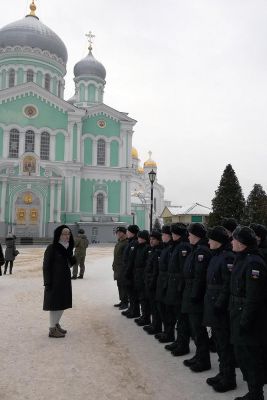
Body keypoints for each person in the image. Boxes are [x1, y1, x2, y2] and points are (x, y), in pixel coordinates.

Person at [230, 226, 267, 400]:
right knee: (243, 355)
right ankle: (253, 391)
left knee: (250, 357)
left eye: (234, 239)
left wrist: (245, 321)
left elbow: (254, 297)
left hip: (249, 318)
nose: (231, 241)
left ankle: (256, 394)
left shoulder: (253, 262)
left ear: (242, 243)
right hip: (239, 313)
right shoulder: (242, 258)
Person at [203, 226, 236, 393]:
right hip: (213, 304)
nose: (208, 242)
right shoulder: (217, 256)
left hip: (221, 308)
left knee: (224, 345)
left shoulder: (228, 258)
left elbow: (227, 285)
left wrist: (219, 304)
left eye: (211, 239)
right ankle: (223, 373)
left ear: (218, 241)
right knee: (218, 342)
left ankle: (229, 379)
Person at [182, 222, 212, 372]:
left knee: (199, 331)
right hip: (191, 294)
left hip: (196, 298)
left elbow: (200, 277)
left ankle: (204, 360)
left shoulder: (202, 251)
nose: (188, 236)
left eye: (190, 234)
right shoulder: (195, 249)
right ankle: (199, 356)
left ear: (196, 235)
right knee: (195, 330)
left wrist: (194, 296)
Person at [43, 225, 76, 338]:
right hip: (54, 282)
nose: (67, 236)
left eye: (68, 234)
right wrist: (47, 282)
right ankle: (52, 329)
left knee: (62, 304)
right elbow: (46, 266)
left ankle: (56, 324)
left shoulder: (68, 248)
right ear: (58, 235)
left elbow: (68, 265)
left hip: (65, 281)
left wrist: (72, 260)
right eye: (64, 234)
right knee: (55, 305)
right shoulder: (52, 248)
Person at [163, 223, 191, 354]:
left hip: (178, 286)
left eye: (174, 233)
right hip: (174, 284)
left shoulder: (183, 246)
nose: (171, 235)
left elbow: (183, 269)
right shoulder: (177, 245)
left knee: (182, 318)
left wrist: (179, 286)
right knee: (178, 317)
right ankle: (179, 341)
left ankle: (183, 344)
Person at [143, 230, 162, 335]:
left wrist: (152, 283)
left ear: (158, 240)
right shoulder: (153, 250)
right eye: (150, 239)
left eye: (153, 239)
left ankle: (157, 326)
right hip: (149, 281)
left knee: (155, 307)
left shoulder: (159, 251)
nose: (151, 241)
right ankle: (154, 324)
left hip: (154, 284)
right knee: (152, 305)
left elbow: (156, 270)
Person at [121, 224, 140, 318]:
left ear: (132, 233)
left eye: (128, 231)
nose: (127, 233)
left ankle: (135, 310)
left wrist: (127, 272)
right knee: (130, 292)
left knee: (133, 293)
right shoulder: (130, 242)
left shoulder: (135, 243)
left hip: (132, 272)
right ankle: (131, 308)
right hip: (128, 270)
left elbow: (131, 260)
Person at [133, 230, 150, 326]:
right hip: (138, 274)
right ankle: (144, 316)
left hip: (143, 275)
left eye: (140, 238)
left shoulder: (146, 248)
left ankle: (146, 317)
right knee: (141, 297)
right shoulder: (139, 247)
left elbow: (145, 264)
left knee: (144, 298)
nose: (138, 239)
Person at [112, 226, 128, 310]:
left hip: (122, 268)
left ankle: (125, 302)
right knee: (119, 285)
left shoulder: (126, 243)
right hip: (117, 268)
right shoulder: (119, 242)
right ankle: (122, 300)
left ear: (124, 233)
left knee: (123, 285)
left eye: (119, 232)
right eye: (117, 232)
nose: (117, 234)